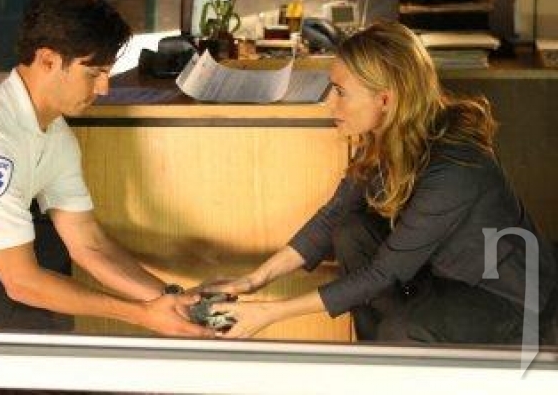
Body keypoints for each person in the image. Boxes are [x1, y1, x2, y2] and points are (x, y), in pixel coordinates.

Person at [204, 21, 557, 344]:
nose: (329, 103)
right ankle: (382, 359)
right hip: (443, 276)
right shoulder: (384, 138)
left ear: (385, 99)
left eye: (340, 91)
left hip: (509, 299)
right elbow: (332, 217)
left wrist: (269, 314)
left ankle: (395, 350)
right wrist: (254, 280)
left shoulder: (455, 169)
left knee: (402, 329)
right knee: (351, 231)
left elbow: (384, 273)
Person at [0, 0, 212, 338]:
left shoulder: (53, 131)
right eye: (93, 74)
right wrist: (142, 315)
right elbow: (22, 282)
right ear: (47, 60)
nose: (104, 88)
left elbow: (88, 242)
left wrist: (170, 298)